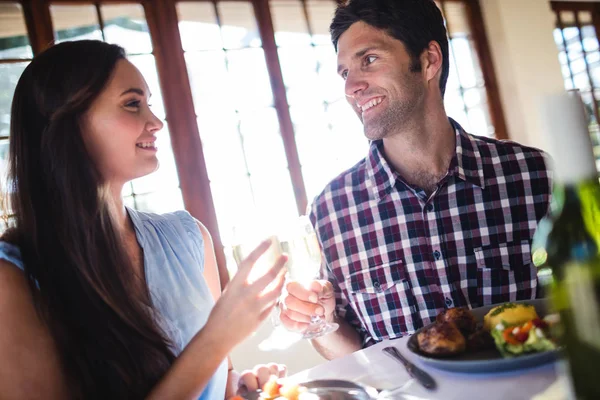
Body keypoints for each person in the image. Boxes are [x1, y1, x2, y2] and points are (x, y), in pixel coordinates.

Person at [0, 40, 287, 399]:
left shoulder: (188, 238)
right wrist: (216, 338)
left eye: (148, 104)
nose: (155, 122)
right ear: (69, 125)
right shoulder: (13, 279)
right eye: (132, 104)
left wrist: (242, 386)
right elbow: (211, 351)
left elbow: (219, 379)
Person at [279, 0, 552, 360]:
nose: (352, 87)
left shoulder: (533, 175)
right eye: (345, 73)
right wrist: (319, 319)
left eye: (369, 60)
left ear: (428, 61)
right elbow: (351, 351)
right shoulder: (332, 210)